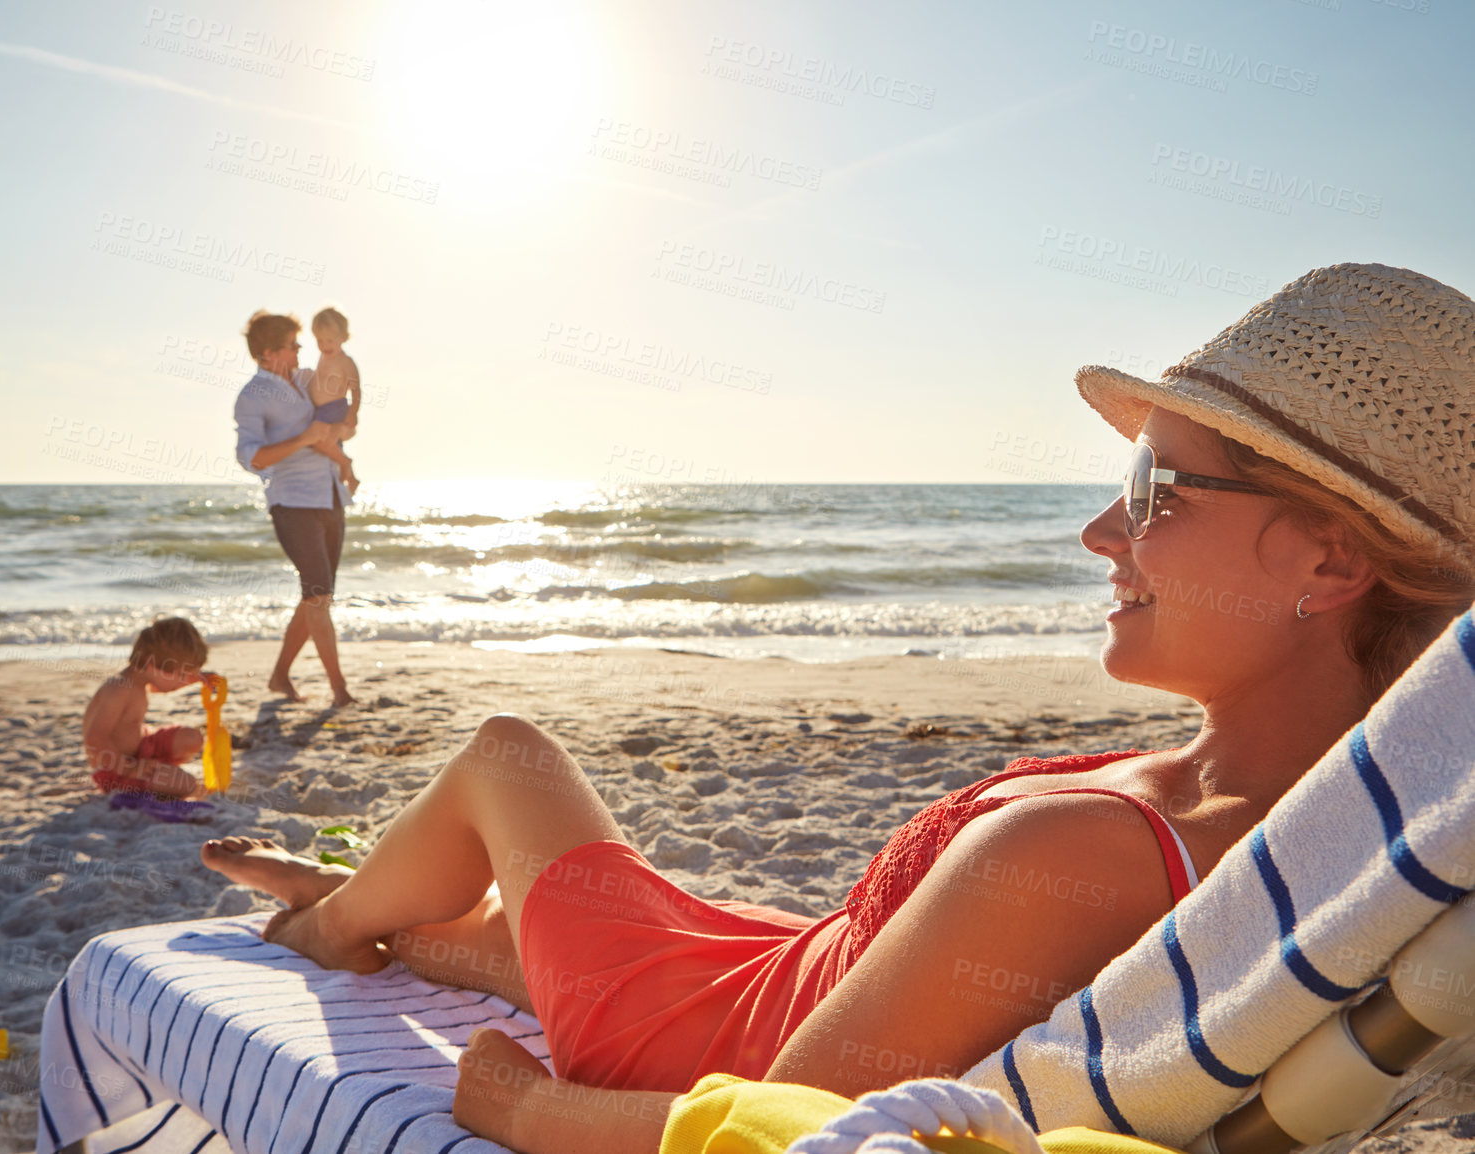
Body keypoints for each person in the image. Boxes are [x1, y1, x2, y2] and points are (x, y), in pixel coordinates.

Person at [203, 265, 1475, 1152]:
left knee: (506, 756)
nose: (1100, 530)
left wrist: (523, 1112)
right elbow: (913, 972)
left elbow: (796, 1133)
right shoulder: (1267, 831)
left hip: (694, 1041)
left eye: (1157, 492)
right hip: (770, 966)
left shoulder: (1083, 853)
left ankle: (329, 937)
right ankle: (364, 911)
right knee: (479, 917)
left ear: (1327, 561)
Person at [233, 310, 355, 707]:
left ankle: (279, 676)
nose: (301, 350)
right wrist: (303, 439)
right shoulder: (252, 396)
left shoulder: (306, 380)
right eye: (293, 345)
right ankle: (339, 689)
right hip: (293, 503)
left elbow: (341, 413)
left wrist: (346, 426)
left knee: (316, 597)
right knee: (318, 596)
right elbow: (252, 458)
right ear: (268, 353)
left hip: (330, 495)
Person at [81, 617, 212, 798]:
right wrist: (130, 769)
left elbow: (162, 686)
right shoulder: (119, 689)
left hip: (144, 747)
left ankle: (158, 769)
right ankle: (152, 775)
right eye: (181, 674)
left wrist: (198, 678)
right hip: (116, 767)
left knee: (193, 738)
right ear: (152, 665)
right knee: (186, 784)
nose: (184, 679)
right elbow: (95, 739)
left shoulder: (140, 681)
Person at [302, 306, 362, 495]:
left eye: (329, 340)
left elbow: (356, 389)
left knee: (322, 442)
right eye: (319, 340)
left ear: (343, 337)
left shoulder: (346, 362)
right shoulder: (323, 357)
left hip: (336, 410)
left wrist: (353, 412)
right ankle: (346, 478)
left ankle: (346, 466)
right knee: (329, 447)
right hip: (320, 410)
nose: (324, 345)